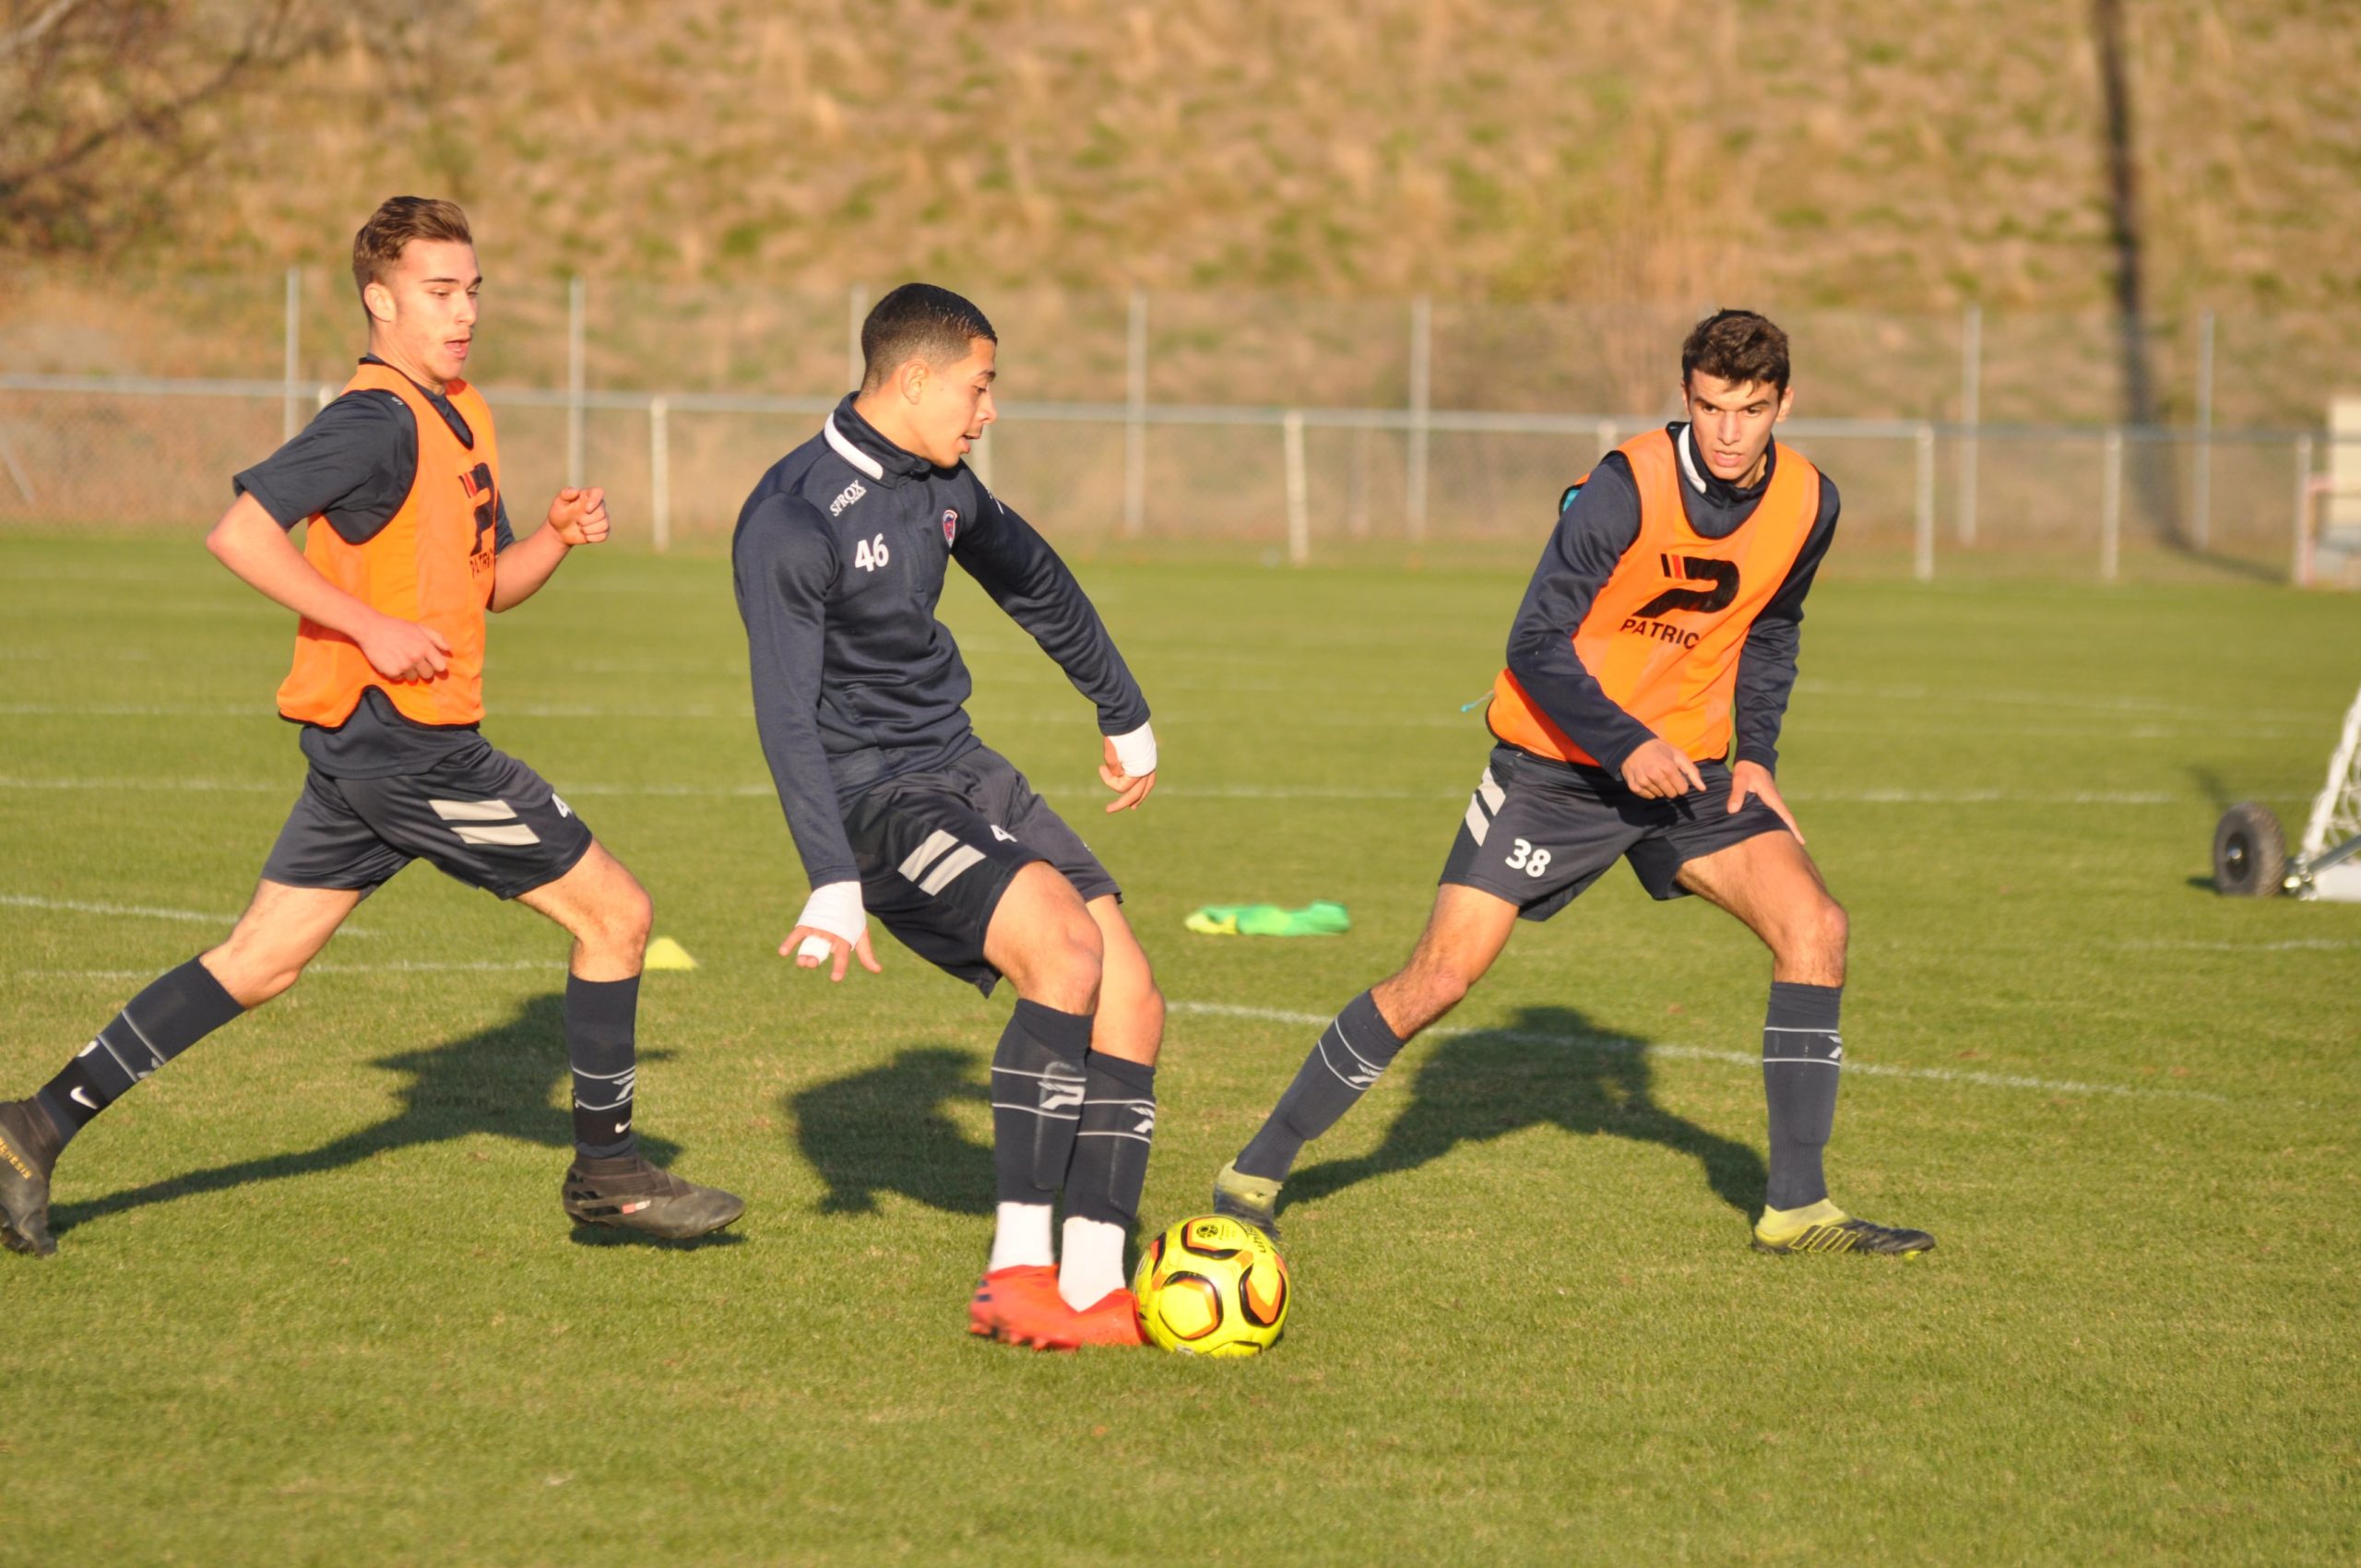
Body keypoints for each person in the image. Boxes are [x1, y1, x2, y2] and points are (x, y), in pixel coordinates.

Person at [0, 196, 742, 1257]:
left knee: (257, 962)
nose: (464, 312)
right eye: (440, 292)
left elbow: (485, 592)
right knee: (617, 916)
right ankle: (611, 1177)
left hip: (369, 747)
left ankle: (31, 1126)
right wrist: (366, 623)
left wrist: (557, 540)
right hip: (412, 746)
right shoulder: (375, 416)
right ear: (380, 300)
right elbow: (239, 531)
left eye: (474, 290)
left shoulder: (462, 413)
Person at [1213, 309, 1935, 1259]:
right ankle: (1254, 1168)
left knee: (1817, 927)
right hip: (1557, 764)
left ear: (1783, 404)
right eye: (1711, 407)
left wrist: (1755, 752)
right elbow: (1534, 642)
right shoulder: (1623, 486)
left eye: (1750, 410)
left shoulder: (1809, 501)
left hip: (1689, 773)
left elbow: (1771, 628)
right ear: (1685, 397)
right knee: (1440, 976)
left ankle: (1795, 1206)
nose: (1727, 432)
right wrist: (1622, 740)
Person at [733, 282, 1164, 1349]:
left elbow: (1035, 579)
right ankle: (1017, 1273)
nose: (989, 409)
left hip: (964, 765)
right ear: (915, 378)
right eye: (980, 386)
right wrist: (831, 876)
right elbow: (784, 712)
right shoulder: (790, 518)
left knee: (1134, 996)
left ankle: (1094, 1283)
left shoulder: (941, 485)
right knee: (1063, 954)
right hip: (873, 796)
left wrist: (1122, 706)